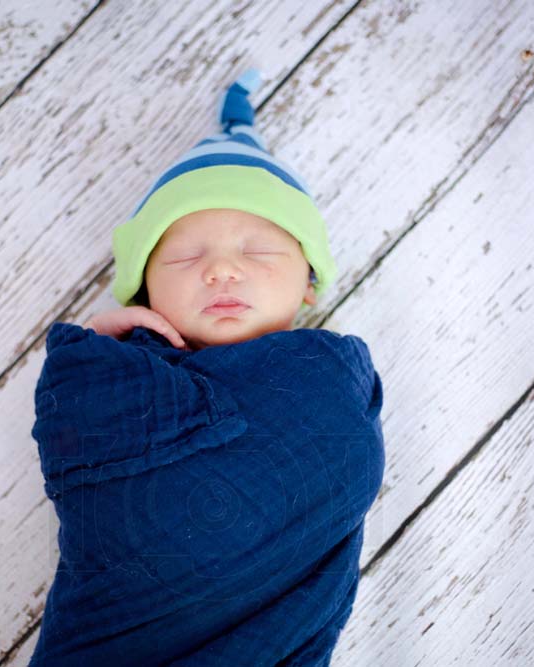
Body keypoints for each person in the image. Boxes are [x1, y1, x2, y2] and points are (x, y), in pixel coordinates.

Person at [29, 68, 385, 666]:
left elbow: (349, 458)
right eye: (187, 255)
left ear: (309, 285)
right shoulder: (117, 383)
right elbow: (77, 445)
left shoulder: (329, 378)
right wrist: (86, 353)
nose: (220, 270)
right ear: (144, 293)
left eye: (258, 250)